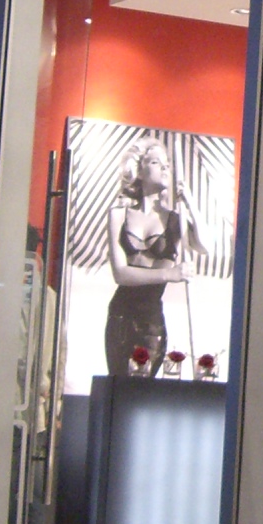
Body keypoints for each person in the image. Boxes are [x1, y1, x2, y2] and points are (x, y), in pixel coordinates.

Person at [105, 138, 202, 377]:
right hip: (121, 316)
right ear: (139, 171)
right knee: (119, 386)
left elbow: (204, 245)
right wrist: (169, 273)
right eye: (156, 162)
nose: (165, 168)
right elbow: (120, 274)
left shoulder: (175, 220)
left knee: (144, 388)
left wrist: (190, 203)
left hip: (152, 321)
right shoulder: (118, 215)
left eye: (167, 164)